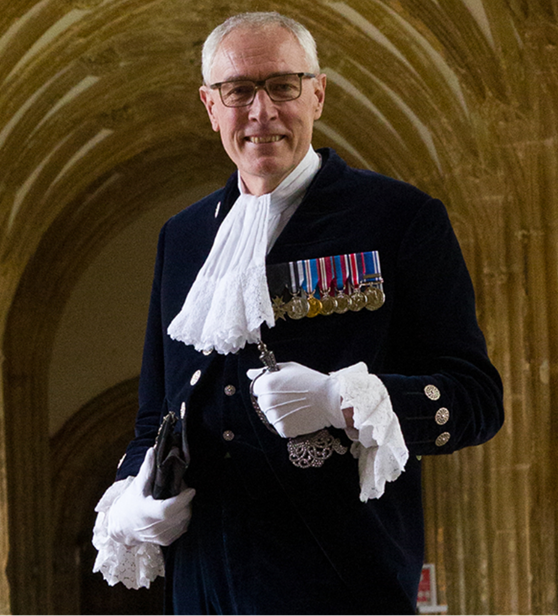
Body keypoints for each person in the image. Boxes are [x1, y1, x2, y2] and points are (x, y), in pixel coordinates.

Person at [92, 11, 504, 615]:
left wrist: (346, 399)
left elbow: (476, 400)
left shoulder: (398, 218)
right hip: (203, 583)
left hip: (341, 579)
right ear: (211, 106)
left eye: (283, 86)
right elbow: (155, 412)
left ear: (317, 93)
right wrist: (132, 492)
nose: (262, 112)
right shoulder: (180, 239)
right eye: (239, 91)